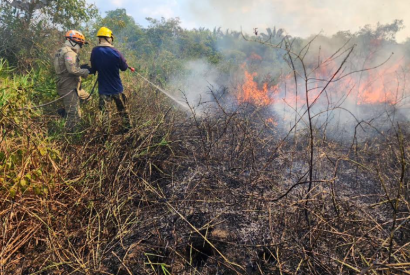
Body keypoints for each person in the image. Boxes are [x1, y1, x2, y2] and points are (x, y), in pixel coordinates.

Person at [89, 26, 132, 134]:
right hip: (117, 88)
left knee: (105, 113)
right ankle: (127, 130)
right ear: (110, 38)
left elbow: (93, 68)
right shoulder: (116, 52)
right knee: (123, 110)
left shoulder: (95, 51)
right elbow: (123, 68)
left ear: (100, 38)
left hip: (103, 89)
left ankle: (105, 134)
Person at [54, 30, 91, 131]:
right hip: (69, 86)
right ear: (73, 41)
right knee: (74, 116)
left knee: (87, 98)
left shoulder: (61, 50)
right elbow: (72, 70)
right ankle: (70, 135)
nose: (80, 47)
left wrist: (81, 67)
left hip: (72, 86)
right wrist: (86, 71)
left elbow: (68, 67)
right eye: (80, 44)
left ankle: (67, 110)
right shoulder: (69, 53)